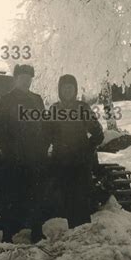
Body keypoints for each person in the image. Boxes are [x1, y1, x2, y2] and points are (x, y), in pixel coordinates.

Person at [0, 64, 49, 243]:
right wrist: (10, 149)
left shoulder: (37, 99)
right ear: (16, 79)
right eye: (23, 78)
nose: (26, 81)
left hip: (35, 156)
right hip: (14, 157)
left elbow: (45, 125)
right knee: (10, 196)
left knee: (36, 195)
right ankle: (7, 235)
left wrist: (43, 147)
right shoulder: (6, 99)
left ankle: (36, 232)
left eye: (29, 78)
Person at [48, 74, 104, 229]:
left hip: (80, 163)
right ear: (60, 90)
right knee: (64, 199)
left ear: (75, 90)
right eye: (64, 88)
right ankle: (71, 236)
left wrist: (87, 148)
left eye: (70, 88)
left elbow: (98, 133)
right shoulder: (54, 109)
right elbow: (47, 133)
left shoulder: (82, 108)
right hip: (60, 161)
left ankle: (83, 233)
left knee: (81, 200)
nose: (67, 91)